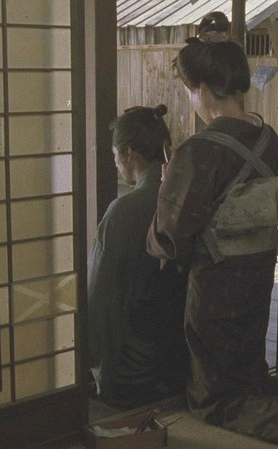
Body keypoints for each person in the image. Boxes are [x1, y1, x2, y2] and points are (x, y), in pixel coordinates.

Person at [146, 40, 278, 447]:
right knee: (247, 372)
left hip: (216, 280)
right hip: (260, 270)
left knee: (212, 397)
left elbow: (171, 234)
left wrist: (165, 189)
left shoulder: (198, 150)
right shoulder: (269, 140)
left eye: (190, 91)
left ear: (202, 90)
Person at [87, 105, 189, 409]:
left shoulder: (123, 211)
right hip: (182, 358)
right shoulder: (186, 199)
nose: (115, 162)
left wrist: (99, 376)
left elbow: (100, 301)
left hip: (134, 369)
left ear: (129, 153)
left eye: (114, 155)